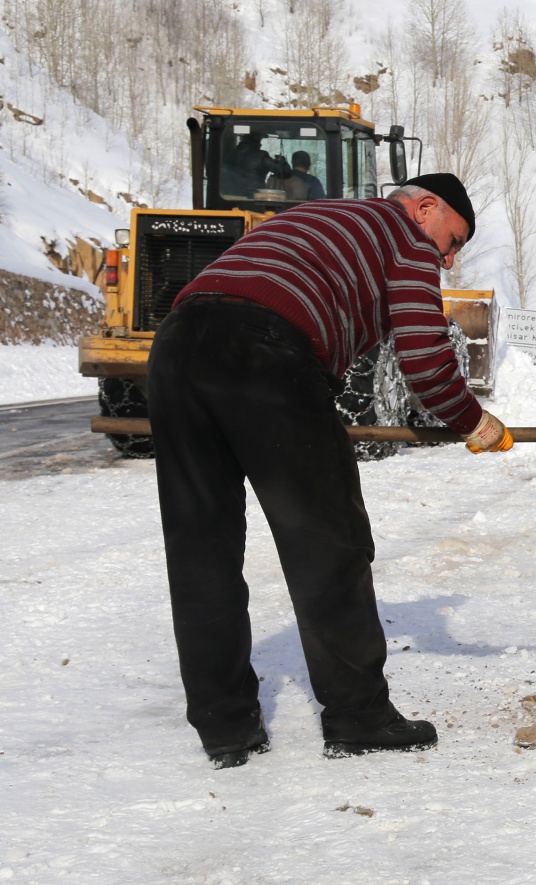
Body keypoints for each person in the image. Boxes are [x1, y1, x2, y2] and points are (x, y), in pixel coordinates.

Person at [146, 173, 511, 769]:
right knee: (328, 544)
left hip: (179, 345)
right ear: (424, 209)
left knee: (200, 551)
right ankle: (359, 717)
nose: (447, 260)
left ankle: (226, 727)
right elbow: (424, 354)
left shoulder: (316, 219)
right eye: (453, 240)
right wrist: (472, 421)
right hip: (264, 354)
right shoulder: (404, 238)